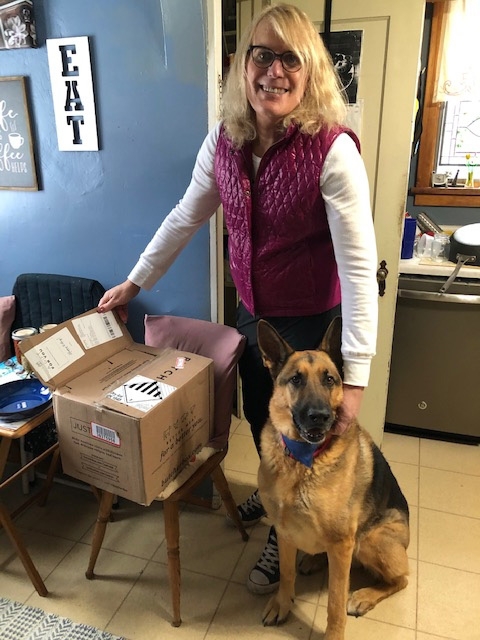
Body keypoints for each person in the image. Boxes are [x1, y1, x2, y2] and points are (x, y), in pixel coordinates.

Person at [97, 3, 378, 596]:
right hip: (257, 316)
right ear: (242, 65)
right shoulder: (225, 141)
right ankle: (276, 503)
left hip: (313, 319)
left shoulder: (332, 150)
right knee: (264, 417)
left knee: (310, 430)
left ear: (310, 74)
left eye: (290, 59)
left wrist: (355, 376)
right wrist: (134, 281)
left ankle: (293, 533)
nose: (274, 71)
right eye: (262, 55)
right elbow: (184, 218)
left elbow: (357, 271)